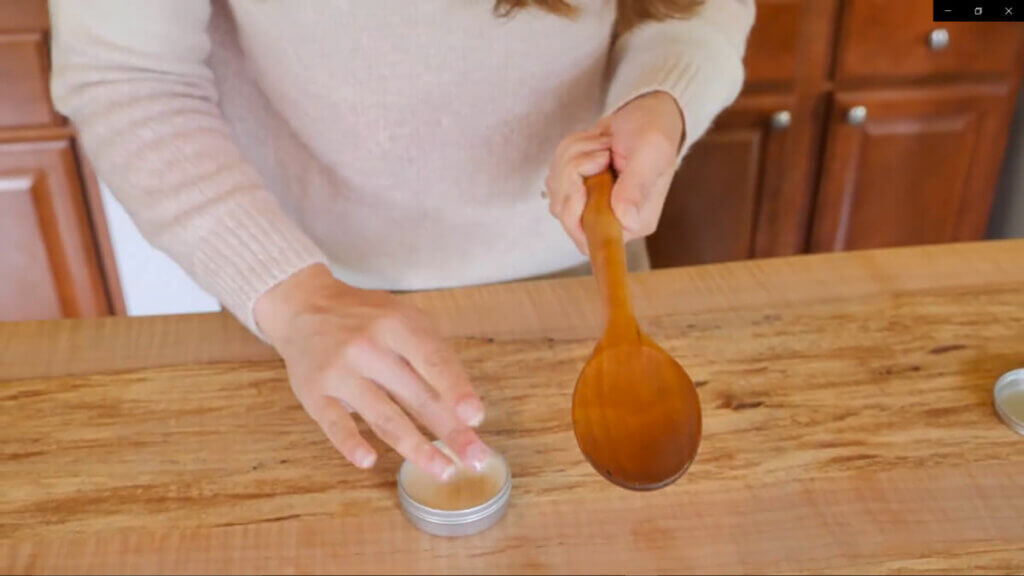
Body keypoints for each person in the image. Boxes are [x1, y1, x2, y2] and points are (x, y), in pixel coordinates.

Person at [49, 0, 754, 481]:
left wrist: (663, 96)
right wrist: (294, 301)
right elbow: (128, 72)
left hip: (582, 259)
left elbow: (693, 11)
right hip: (298, 294)